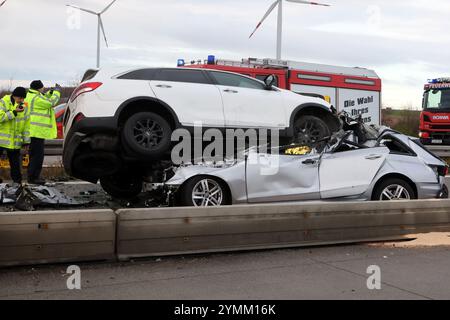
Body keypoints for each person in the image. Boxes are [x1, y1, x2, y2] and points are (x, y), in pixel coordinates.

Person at [24, 80, 61, 185]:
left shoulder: (30, 96)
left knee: (33, 155)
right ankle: (34, 178)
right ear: (38, 88)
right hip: (37, 132)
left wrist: (50, 92)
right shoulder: (36, 98)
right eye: (42, 87)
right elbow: (51, 102)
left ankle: (32, 177)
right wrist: (57, 92)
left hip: (32, 131)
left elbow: (44, 98)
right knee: (37, 156)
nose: (44, 89)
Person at [0, 87, 29, 185]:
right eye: (20, 98)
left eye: (23, 99)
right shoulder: (3, 102)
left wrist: (26, 141)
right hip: (1, 139)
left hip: (15, 141)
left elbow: (26, 125)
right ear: (14, 95)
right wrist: (14, 112)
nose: (21, 101)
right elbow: (0, 117)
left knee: (15, 164)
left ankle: (17, 182)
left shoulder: (23, 107)